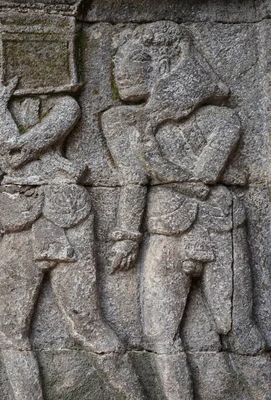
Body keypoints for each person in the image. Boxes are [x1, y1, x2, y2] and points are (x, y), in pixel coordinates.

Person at [0, 16, 145, 400]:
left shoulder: (64, 105)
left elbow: (14, 153)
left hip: (65, 212)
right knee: (8, 327)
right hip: (16, 217)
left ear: (10, 56)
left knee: (86, 321)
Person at [102, 21, 266, 399]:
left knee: (240, 331)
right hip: (164, 230)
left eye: (136, 62)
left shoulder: (223, 120)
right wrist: (127, 234)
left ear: (166, 65)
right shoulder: (120, 121)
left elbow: (203, 178)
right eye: (117, 67)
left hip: (218, 229)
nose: (122, 74)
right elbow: (132, 180)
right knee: (160, 334)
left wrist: (153, 151)